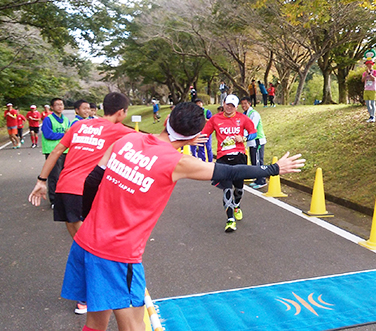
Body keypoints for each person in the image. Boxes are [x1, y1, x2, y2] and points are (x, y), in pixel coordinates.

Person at [33, 102, 303, 331]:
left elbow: (93, 180)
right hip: (118, 254)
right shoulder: (177, 163)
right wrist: (273, 168)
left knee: (96, 321)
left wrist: (89, 216)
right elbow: (229, 172)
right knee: (135, 326)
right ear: (194, 135)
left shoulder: (126, 140)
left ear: (168, 120)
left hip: (86, 240)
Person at [28, 92, 134, 315]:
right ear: (122, 112)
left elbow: (57, 150)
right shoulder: (120, 130)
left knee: (81, 245)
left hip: (65, 190)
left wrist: (41, 180)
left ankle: (86, 296)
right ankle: (89, 297)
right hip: (86, 193)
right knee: (91, 248)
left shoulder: (79, 127)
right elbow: (153, 145)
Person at [201, 95, 258, 232]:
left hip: (239, 156)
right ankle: (230, 219)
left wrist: (243, 138)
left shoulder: (242, 118)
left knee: (238, 189)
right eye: (227, 104)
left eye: (232, 105)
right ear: (224, 103)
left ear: (236, 107)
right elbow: (205, 134)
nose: (229, 107)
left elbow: (254, 133)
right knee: (227, 188)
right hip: (223, 158)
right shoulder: (215, 119)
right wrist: (192, 140)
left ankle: (237, 205)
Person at [41, 98, 71, 206]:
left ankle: (62, 197)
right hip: (52, 151)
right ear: (52, 107)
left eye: (61, 104)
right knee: (54, 176)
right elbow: (48, 134)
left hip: (65, 151)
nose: (60, 107)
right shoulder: (48, 119)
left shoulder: (66, 120)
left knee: (64, 175)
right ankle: (54, 200)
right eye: (57, 105)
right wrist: (64, 134)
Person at [241, 96, 268, 189]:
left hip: (258, 140)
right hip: (251, 141)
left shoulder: (254, 114)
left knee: (258, 161)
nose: (243, 105)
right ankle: (257, 179)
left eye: (245, 103)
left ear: (250, 103)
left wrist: (243, 137)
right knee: (254, 161)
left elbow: (252, 127)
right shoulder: (245, 114)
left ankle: (262, 180)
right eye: (242, 104)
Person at [191, 98, 213, 162]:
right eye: (197, 103)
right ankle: (202, 161)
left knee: (208, 148)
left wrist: (205, 119)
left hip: (207, 132)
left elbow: (211, 121)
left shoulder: (207, 111)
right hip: (198, 132)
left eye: (200, 103)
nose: (198, 105)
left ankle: (210, 161)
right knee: (200, 147)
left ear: (202, 104)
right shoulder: (193, 113)